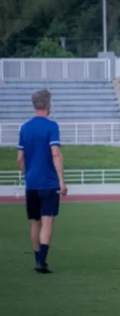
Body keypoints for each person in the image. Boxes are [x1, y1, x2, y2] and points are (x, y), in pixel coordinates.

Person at [17, 89, 67, 274]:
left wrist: (27, 175)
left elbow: (20, 158)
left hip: (32, 183)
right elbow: (55, 153)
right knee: (47, 222)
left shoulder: (25, 127)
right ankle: (42, 262)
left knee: (34, 222)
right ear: (48, 105)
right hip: (48, 183)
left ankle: (37, 258)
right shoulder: (51, 126)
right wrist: (61, 181)